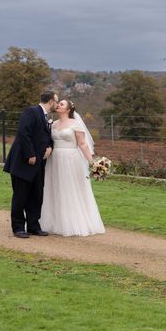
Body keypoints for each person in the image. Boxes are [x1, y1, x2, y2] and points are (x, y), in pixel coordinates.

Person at [39, 100, 105, 236]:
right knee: (54, 187)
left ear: (68, 109)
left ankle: (73, 223)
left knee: (70, 188)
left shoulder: (76, 124)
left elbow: (82, 144)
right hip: (54, 159)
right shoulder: (53, 124)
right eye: (58, 103)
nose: (58, 105)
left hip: (70, 159)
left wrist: (92, 162)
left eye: (62, 104)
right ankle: (54, 222)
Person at [4, 91, 58, 238]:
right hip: (24, 161)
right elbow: (23, 133)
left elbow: (47, 137)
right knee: (20, 196)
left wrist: (50, 147)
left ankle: (34, 226)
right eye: (56, 101)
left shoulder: (47, 117)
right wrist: (30, 154)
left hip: (39, 163)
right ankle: (18, 227)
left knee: (36, 195)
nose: (57, 104)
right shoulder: (31, 111)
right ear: (50, 101)